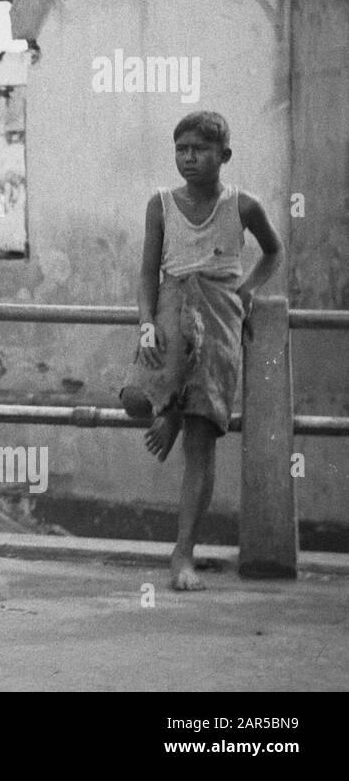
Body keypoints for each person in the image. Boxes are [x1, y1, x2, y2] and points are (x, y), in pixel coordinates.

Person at [120, 111, 282, 591]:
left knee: (200, 440)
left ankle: (182, 554)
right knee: (133, 398)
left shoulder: (244, 205)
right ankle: (166, 408)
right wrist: (146, 324)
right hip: (171, 308)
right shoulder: (160, 204)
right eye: (181, 149)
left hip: (219, 312)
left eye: (200, 149)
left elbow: (273, 251)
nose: (189, 158)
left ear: (224, 156)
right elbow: (149, 272)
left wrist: (248, 290)